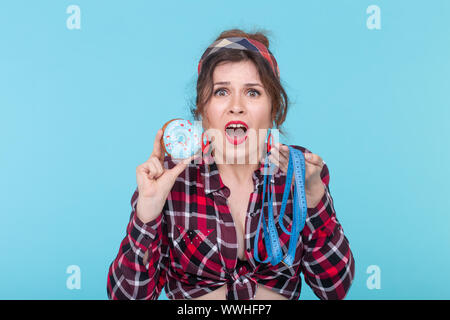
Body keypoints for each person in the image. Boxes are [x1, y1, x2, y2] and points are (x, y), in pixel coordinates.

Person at [107, 28, 355, 300]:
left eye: (253, 93)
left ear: (274, 109)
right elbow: (127, 297)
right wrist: (147, 215)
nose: (236, 106)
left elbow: (334, 289)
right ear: (203, 109)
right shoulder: (170, 177)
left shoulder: (299, 171)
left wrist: (314, 199)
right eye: (222, 91)